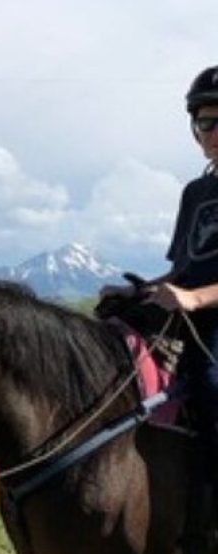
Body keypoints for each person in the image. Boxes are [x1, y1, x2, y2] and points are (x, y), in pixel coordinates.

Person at [101, 66, 218, 480]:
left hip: (211, 320)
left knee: (211, 382)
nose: (215, 131)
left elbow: (192, 289)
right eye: (207, 122)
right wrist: (139, 291)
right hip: (185, 315)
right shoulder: (195, 192)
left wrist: (195, 298)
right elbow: (182, 269)